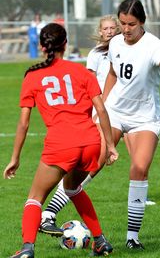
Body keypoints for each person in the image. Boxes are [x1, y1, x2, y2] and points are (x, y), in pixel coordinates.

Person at [3, 23, 118, 258]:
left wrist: (15, 158)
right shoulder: (83, 73)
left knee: (35, 197)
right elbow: (102, 110)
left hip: (61, 145)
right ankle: (100, 241)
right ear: (65, 44)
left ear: (41, 46)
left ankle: (27, 249)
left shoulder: (32, 75)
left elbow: (24, 123)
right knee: (73, 188)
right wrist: (111, 145)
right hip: (90, 142)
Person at [100, 0, 160, 250]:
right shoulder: (115, 41)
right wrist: (102, 108)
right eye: (122, 23)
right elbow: (113, 74)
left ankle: (132, 237)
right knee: (94, 160)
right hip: (115, 112)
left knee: (139, 168)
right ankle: (50, 213)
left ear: (142, 23)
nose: (126, 29)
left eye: (131, 24)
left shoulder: (153, 45)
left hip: (145, 118)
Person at [40, 15, 120, 236]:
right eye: (106, 28)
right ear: (100, 31)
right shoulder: (95, 55)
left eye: (114, 27)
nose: (110, 31)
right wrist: (91, 113)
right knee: (91, 166)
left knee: (137, 167)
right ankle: (49, 213)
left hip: (127, 111)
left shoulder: (126, 50)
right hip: (103, 111)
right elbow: (88, 85)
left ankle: (136, 215)